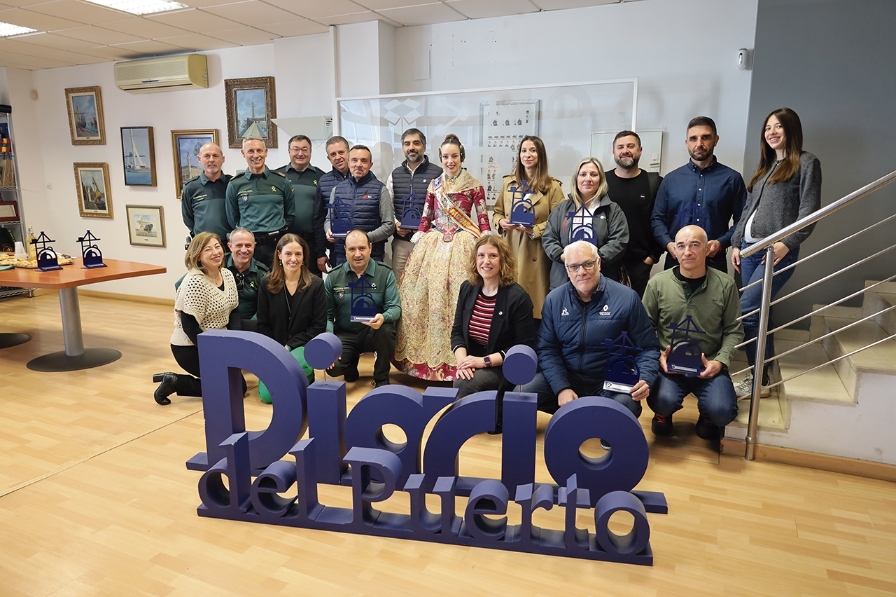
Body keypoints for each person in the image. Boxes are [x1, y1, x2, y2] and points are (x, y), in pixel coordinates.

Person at [731, 107, 822, 396]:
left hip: (776, 252)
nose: (771, 132)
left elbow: (809, 212)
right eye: (768, 127)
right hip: (748, 251)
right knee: (759, 314)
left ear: (791, 130)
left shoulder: (807, 163)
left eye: (778, 127)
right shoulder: (765, 167)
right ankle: (763, 378)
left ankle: (758, 379)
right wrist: (735, 243)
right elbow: (748, 210)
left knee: (748, 310)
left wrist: (787, 242)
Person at [521, 240, 660, 419]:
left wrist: (645, 378)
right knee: (522, 394)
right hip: (568, 376)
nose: (581, 272)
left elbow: (648, 347)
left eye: (588, 264)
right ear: (567, 269)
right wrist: (562, 388)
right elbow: (547, 349)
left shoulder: (627, 298)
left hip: (611, 380)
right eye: (574, 267)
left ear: (599, 263)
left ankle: (591, 417)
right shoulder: (554, 300)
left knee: (626, 406)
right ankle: (580, 413)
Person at [393, 134, 491, 380]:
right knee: (423, 296)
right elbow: (426, 216)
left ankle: (459, 360)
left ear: (461, 157)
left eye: (454, 156)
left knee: (460, 297)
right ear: (441, 158)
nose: (450, 161)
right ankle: (427, 362)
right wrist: (421, 234)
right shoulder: (434, 184)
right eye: (446, 157)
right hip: (434, 244)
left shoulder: (474, 185)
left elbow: (482, 219)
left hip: (464, 243)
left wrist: (485, 239)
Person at [643, 225, 744, 440]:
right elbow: (644, 329)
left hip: (709, 365)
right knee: (662, 400)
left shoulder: (726, 285)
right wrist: (657, 358)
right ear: (674, 251)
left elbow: (734, 330)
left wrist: (720, 362)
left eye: (694, 245)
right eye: (681, 246)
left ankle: (708, 416)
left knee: (722, 411)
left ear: (707, 249)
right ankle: (663, 413)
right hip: (669, 367)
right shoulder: (657, 284)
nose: (687, 251)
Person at [451, 235, 536, 432]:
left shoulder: (518, 297)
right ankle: (483, 417)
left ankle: (485, 417)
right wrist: (463, 361)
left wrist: (482, 362)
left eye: (492, 256)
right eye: (481, 255)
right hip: (472, 358)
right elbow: (456, 331)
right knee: (463, 378)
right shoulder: (468, 288)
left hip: (503, 365)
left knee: (464, 383)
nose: (485, 261)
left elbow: (524, 345)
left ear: (503, 260)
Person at [153, 232, 242, 405]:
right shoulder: (194, 282)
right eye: (208, 249)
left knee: (237, 386)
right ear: (198, 256)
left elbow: (234, 311)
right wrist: (211, 351)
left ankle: (174, 381)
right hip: (190, 346)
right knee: (233, 388)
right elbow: (189, 326)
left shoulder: (227, 275)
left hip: (217, 341)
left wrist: (233, 340)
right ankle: (175, 382)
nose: (215, 252)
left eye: (217, 247)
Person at [651, 116, 746, 273]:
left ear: (716, 140)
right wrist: (669, 244)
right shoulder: (671, 180)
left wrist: (722, 243)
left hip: (714, 263)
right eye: (693, 138)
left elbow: (742, 220)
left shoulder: (732, 179)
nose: (699, 144)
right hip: (676, 263)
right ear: (686, 142)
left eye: (706, 137)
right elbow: (657, 219)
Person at [493, 135, 564, 322]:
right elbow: (497, 212)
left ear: (540, 155)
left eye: (532, 150)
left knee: (534, 308)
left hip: (536, 251)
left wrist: (535, 229)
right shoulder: (508, 184)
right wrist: (501, 222)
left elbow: (560, 221)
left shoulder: (553, 187)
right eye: (524, 151)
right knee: (508, 306)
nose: (528, 155)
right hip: (510, 249)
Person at [325, 229, 401, 387]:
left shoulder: (385, 273)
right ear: (345, 250)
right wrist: (330, 344)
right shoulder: (333, 277)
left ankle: (381, 377)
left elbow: (395, 308)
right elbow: (327, 315)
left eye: (362, 248)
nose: (357, 254)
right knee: (333, 369)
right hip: (346, 334)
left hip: (374, 332)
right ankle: (350, 363)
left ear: (370, 248)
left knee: (387, 331)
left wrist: (383, 317)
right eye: (352, 249)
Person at [256, 234, 327, 401]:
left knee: (292, 371)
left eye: (298, 254)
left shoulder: (316, 284)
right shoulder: (266, 283)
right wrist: (276, 347)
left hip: (303, 345)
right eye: (288, 254)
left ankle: (303, 377)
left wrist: (289, 345)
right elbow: (262, 324)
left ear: (304, 256)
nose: (293, 259)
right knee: (267, 397)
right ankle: (300, 382)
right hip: (275, 346)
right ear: (279, 255)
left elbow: (318, 326)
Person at [543, 157, 629, 290]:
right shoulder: (562, 209)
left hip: (602, 279)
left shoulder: (612, 210)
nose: (588, 178)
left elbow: (619, 241)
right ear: (576, 179)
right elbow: (549, 237)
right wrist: (562, 256)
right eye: (583, 174)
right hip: (563, 280)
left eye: (594, 175)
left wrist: (592, 260)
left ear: (600, 179)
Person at [604, 131, 665, 296]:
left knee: (635, 314)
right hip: (606, 261)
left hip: (640, 263)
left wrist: (652, 257)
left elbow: (662, 221)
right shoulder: (601, 182)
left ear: (640, 150)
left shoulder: (655, 183)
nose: (625, 150)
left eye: (631, 146)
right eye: (620, 147)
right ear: (614, 151)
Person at [225, 137, 296, 268]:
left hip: (275, 244)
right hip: (247, 247)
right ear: (243, 153)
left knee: (276, 284)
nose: (256, 155)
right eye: (251, 151)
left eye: (259, 150)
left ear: (266, 152)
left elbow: (290, 213)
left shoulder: (281, 181)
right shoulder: (235, 183)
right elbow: (232, 218)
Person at [386, 128, 443, 281]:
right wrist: (396, 224)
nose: (411, 147)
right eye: (407, 144)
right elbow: (387, 206)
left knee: (426, 284)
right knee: (400, 283)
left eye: (416, 143)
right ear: (403, 148)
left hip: (429, 241)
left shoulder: (438, 174)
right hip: (402, 242)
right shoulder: (395, 174)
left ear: (424, 147)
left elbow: (443, 209)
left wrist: (425, 228)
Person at [325, 145, 395, 267]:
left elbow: (389, 225)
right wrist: (328, 230)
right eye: (354, 160)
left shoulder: (380, 190)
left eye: (364, 161)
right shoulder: (337, 190)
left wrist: (363, 239)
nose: (358, 164)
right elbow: (328, 219)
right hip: (343, 254)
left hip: (372, 255)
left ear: (370, 164)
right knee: (343, 287)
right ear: (348, 162)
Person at [275, 135, 327, 276]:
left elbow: (326, 213)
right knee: (283, 282)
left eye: (305, 149)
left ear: (310, 151)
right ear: (289, 151)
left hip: (311, 241)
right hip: (283, 240)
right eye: (296, 149)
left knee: (312, 283)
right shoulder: (277, 176)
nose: (300, 153)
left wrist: (321, 251)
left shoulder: (322, 177)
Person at [181, 142, 231, 245]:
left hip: (230, 245)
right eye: (207, 156)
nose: (211, 160)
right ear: (199, 159)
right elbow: (188, 218)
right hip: (204, 246)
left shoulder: (232, 184)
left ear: (223, 159)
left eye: (215, 156)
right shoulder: (191, 187)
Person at [225, 228, 268, 331]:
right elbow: (181, 283)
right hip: (221, 326)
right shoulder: (218, 265)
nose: (244, 250)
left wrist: (250, 327)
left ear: (254, 246)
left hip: (252, 327)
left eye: (248, 245)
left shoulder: (262, 273)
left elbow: (267, 307)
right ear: (230, 246)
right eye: (239, 245)